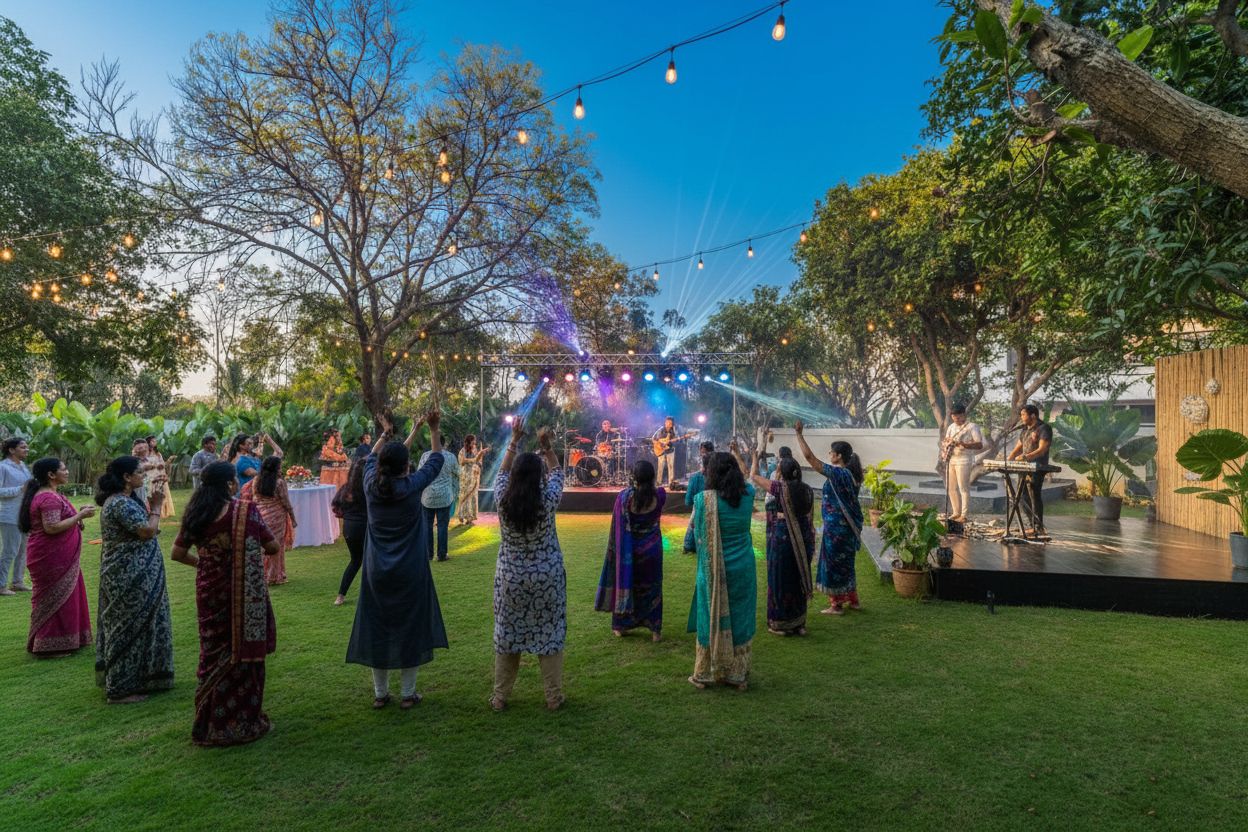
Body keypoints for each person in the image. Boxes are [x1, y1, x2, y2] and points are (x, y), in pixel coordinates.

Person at [171, 461, 280, 746]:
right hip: (245, 593)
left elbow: (177, 553)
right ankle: (243, 721)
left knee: (212, 652)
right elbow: (273, 547)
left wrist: (204, 563)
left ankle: (209, 722)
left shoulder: (196, 514)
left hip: (210, 591)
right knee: (244, 652)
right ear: (230, 484)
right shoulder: (245, 511)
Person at [346, 411, 447, 710]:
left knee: (378, 626)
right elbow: (436, 461)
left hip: (376, 570)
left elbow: (370, 459)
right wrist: (433, 429)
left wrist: (386, 435)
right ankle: (407, 693)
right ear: (406, 466)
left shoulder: (370, 484)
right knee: (410, 626)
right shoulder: (411, 486)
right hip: (411, 569)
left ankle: (381, 694)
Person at [491, 416, 567, 711]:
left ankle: (500, 697)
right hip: (547, 577)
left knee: (507, 634)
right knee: (550, 633)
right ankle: (553, 697)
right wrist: (546, 447)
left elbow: (501, 472)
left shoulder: (502, 500)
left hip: (510, 579)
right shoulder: (547, 501)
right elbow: (558, 472)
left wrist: (513, 440)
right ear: (539, 477)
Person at [94, 456, 175, 704]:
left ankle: (146, 678)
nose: (143, 475)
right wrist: (157, 506)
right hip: (127, 574)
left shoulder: (127, 500)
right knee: (127, 626)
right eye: (139, 472)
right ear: (127, 477)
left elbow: (148, 528)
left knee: (144, 623)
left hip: (138, 572)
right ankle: (119, 689)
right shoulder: (119, 503)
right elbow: (147, 531)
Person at [687, 452, 757, 690]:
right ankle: (737, 675)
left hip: (713, 569)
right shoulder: (749, 494)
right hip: (743, 567)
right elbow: (748, 480)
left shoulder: (703, 500)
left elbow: (695, 531)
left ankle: (704, 673)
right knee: (741, 617)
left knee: (709, 615)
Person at [19, 457, 96, 655]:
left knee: (66, 596)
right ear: (51, 475)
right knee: (56, 598)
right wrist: (80, 516)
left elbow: (61, 521)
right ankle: (50, 645)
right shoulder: (48, 497)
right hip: (51, 556)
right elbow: (51, 527)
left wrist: (78, 516)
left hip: (59, 555)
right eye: (63, 469)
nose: (67, 471)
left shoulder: (52, 494)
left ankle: (66, 640)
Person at [747, 435, 815, 635]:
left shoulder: (779, 488)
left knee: (780, 579)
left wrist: (754, 457)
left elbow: (753, 476)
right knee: (797, 577)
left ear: (781, 473)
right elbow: (809, 517)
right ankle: (799, 623)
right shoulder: (808, 490)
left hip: (784, 538)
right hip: (803, 538)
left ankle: (780, 623)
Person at [794, 421, 865, 615]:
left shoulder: (838, 473)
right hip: (848, 529)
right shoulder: (852, 475)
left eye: (831, 452)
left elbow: (810, 458)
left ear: (839, 456)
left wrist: (799, 435)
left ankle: (836, 605)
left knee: (833, 564)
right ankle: (853, 600)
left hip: (836, 530)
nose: (829, 454)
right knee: (846, 564)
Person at [595, 459, 665, 641]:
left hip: (630, 552)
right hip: (652, 551)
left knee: (627, 584)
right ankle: (655, 630)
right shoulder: (660, 496)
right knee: (653, 588)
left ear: (634, 477)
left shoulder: (625, 498)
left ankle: (621, 626)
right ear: (652, 476)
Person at [241, 456, 296, 585]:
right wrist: (293, 518)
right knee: (276, 546)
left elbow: (254, 498)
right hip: (277, 517)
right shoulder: (279, 482)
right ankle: (274, 576)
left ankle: (260, 574)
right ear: (275, 468)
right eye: (279, 466)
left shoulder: (256, 480)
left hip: (260, 516)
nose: (281, 469)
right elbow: (286, 502)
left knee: (262, 546)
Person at [1009, 403, 1054, 534]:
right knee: (1022, 496)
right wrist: (1009, 459)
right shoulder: (1025, 430)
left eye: (1023, 414)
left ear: (1033, 415)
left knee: (1034, 495)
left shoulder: (1044, 428)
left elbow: (1042, 449)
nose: (1021, 417)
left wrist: (1026, 456)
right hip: (1024, 467)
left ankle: (1038, 527)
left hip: (1037, 467)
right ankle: (1032, 525)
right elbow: (1018, 448)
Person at [331, 455, 369, 606]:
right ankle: (370, 594)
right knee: (369, 560)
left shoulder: (346, 489)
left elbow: (336, 507)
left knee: (355, 561)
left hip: (349, 528)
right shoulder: (369, 488)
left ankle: (340, 596)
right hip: (365, 527)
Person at [0, 437, 32, 595]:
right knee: (10, 551)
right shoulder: (3, 467)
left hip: (25, 514)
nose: (27, 449)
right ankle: (1, 585)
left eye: (27, 447)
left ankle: (18, 582)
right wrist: (20, 489)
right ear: (11, 450)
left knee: (23, 550)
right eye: (23, 447)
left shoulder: (24, 467)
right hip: (9, 515)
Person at [943, 403, 985, 524]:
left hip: (964, 459)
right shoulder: (951, 427)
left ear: (964, 415)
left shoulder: (972, 427)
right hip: (951, 458)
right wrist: (947, 443)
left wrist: (963, 444)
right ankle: (956, 512)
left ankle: (964, 514)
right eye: (953, 416)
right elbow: (946, 440)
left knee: (963, 487)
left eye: (958, 416)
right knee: (951, 487)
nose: (956, 418)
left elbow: (979, 444)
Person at [418, 441, 459, 562]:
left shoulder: (425, 456)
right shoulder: (450, 456)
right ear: (444, 443)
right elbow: (457, 474)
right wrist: (455, 491)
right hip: (445, 496)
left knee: (427, 525)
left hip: (427, 497)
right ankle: (442, 554)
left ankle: (428, 554)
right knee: (442, 526)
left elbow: (420, 474)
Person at [683, 441, 715, 553]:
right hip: (713, 503)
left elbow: (688, 501)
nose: (701, 453)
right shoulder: (720, 473)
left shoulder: (697, 477)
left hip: (700, 504)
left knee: (694, 520)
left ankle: (689, 545)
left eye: (703, 451)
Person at [456, 434, 489, 526]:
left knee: (472, 496)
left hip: (473, 476)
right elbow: (462, 462)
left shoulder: (475, 450)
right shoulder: (462, 451)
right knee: (464, 496)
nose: (475, 442)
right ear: (469, 441)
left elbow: (477, 461)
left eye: (475, 440)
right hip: (465, 477)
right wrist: (474, 459)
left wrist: (480, 457)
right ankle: (462, 515)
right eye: (473, 440)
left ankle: (470, 518)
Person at [146, 436, 177, 518]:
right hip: (150, 476)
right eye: (152, 441)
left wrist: (169, 461)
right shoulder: (145, 453)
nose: (155, 442)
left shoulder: (158, 454)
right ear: (148, 442)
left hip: (159, 475)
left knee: (162, 493)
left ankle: (162, 511)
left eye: (155, 441)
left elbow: (163, 465)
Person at [651, 416, 681, 487]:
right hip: (660, 450)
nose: (668, 424)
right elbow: (653, 438)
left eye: (670, 423)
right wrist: (659, 445)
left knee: (670, 466)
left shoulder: (674, 431)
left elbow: (677, 440)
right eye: (667, 422)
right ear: (665, 422)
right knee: (660, 466)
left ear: (672, 424)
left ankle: (671, 483)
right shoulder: (660, 430)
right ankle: (658, 482)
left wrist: (673, 441)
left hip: (670, 450)